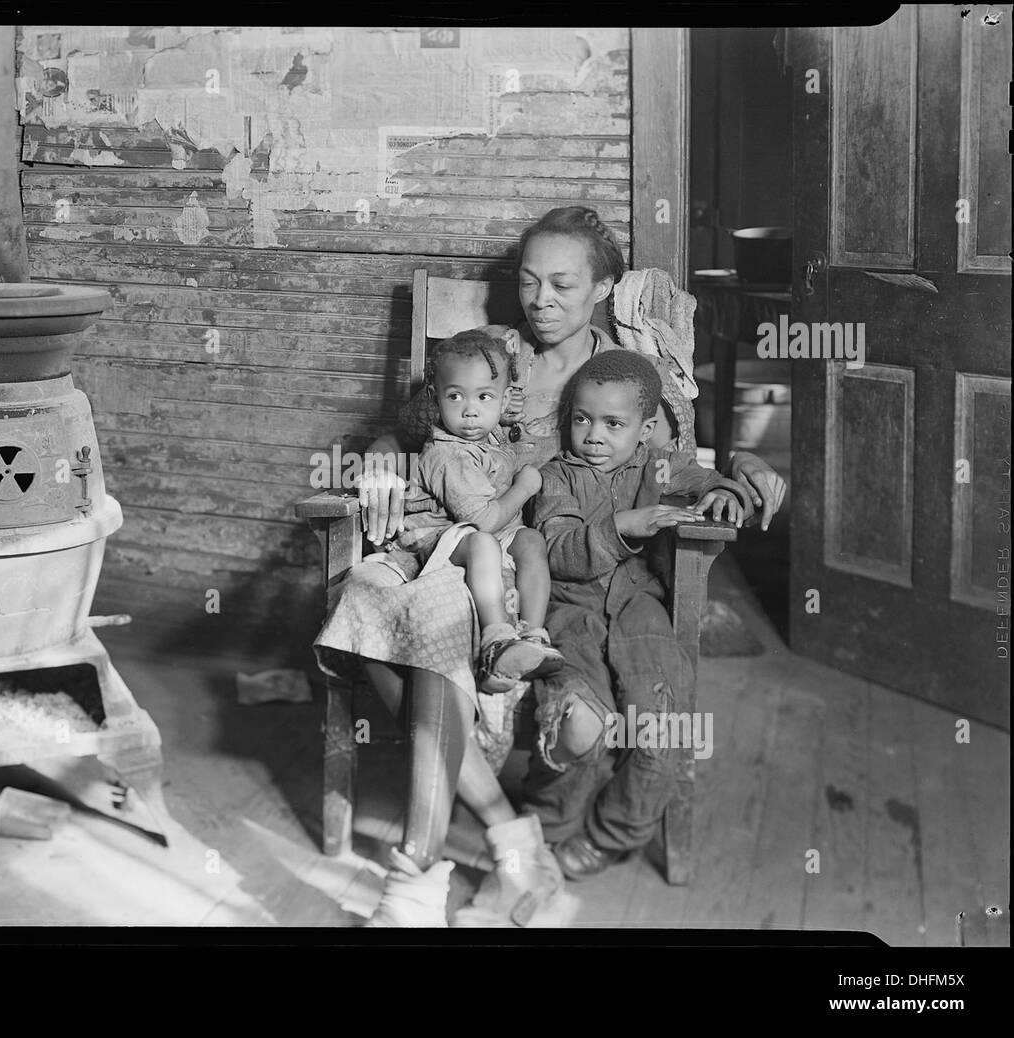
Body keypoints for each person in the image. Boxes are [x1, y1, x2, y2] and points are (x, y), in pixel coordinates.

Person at [312, 206, 787, 927]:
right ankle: (504, 841)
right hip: (465, 546)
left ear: (601, 289)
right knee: (371, 606)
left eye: (563, 284)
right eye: (530, 282)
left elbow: (679, 465)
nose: (541, 300)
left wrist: (742, 464)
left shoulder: (621, 374)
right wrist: (380, 455)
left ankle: (438, 864)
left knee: (431, 634)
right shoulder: (495, 353)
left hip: (542, 573)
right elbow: (417, 424)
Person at [529, 349, 755, 875]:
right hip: (571, 613)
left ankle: (615, 832)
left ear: (647, 428)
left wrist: (725, 492)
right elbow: (558, 549)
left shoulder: (659, 464)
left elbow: (703, 479)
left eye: (613, 423)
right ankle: (549, 825)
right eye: (582, 419)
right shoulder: (555, 476)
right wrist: (623, 526)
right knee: (576, 718)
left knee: (664, 719)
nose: (593, 435)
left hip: (639, 608)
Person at [400, 329, 564, 692]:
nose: (470, 410)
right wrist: (525, 487)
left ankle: (533, 636)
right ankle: (496, 638)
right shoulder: (446, 455)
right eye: (455, 396)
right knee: (483, 544)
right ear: (434, 398)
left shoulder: (488, 433)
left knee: (532, 541)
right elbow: (485, 521)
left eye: (484, 397)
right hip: (439, 536)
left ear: (505, 401)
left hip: (490, 529)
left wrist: (504, 423)